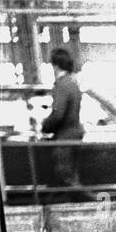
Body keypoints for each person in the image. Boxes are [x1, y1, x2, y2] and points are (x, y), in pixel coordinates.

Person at [41, 47, 84, 199]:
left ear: (56, 65)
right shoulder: (72, 82)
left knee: (66, 178)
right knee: (66, 178)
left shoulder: (62, 85)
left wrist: (44, 126)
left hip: (65, 136)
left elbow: (58, 115)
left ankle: (96, 205)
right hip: (74, 133)